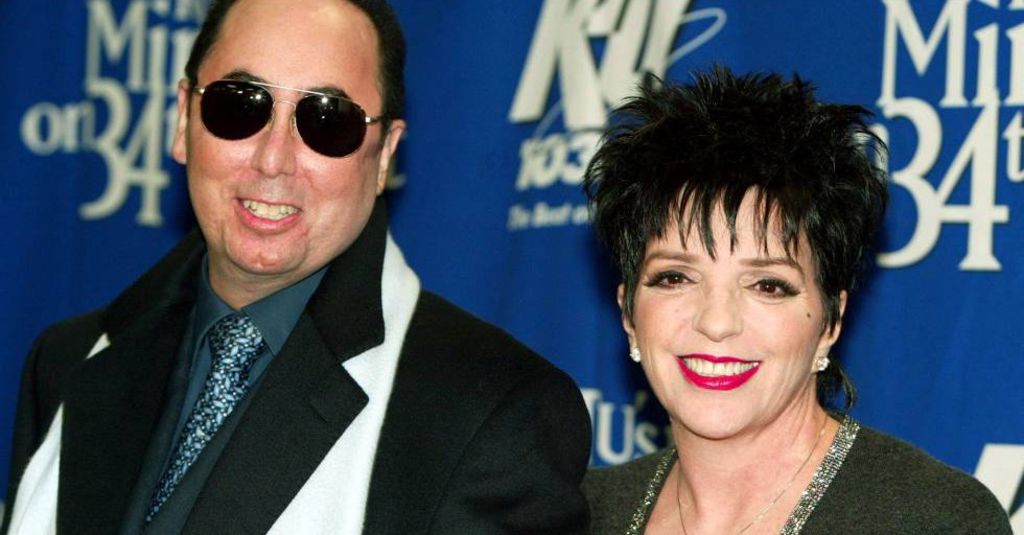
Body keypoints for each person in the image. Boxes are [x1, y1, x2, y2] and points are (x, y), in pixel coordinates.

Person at [2, 0, 591, 533]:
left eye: (327, 120)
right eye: (239, 105)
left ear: (384, 155)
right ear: (183, 120)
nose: (273, 159)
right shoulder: (69, 362)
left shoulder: (492, 416)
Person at [581, 68, 1011, 534]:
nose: (717, 322)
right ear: (628, 312)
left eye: (767, 285)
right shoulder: (581, 513)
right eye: (676, 277)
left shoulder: (933, 521)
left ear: (831, 319)